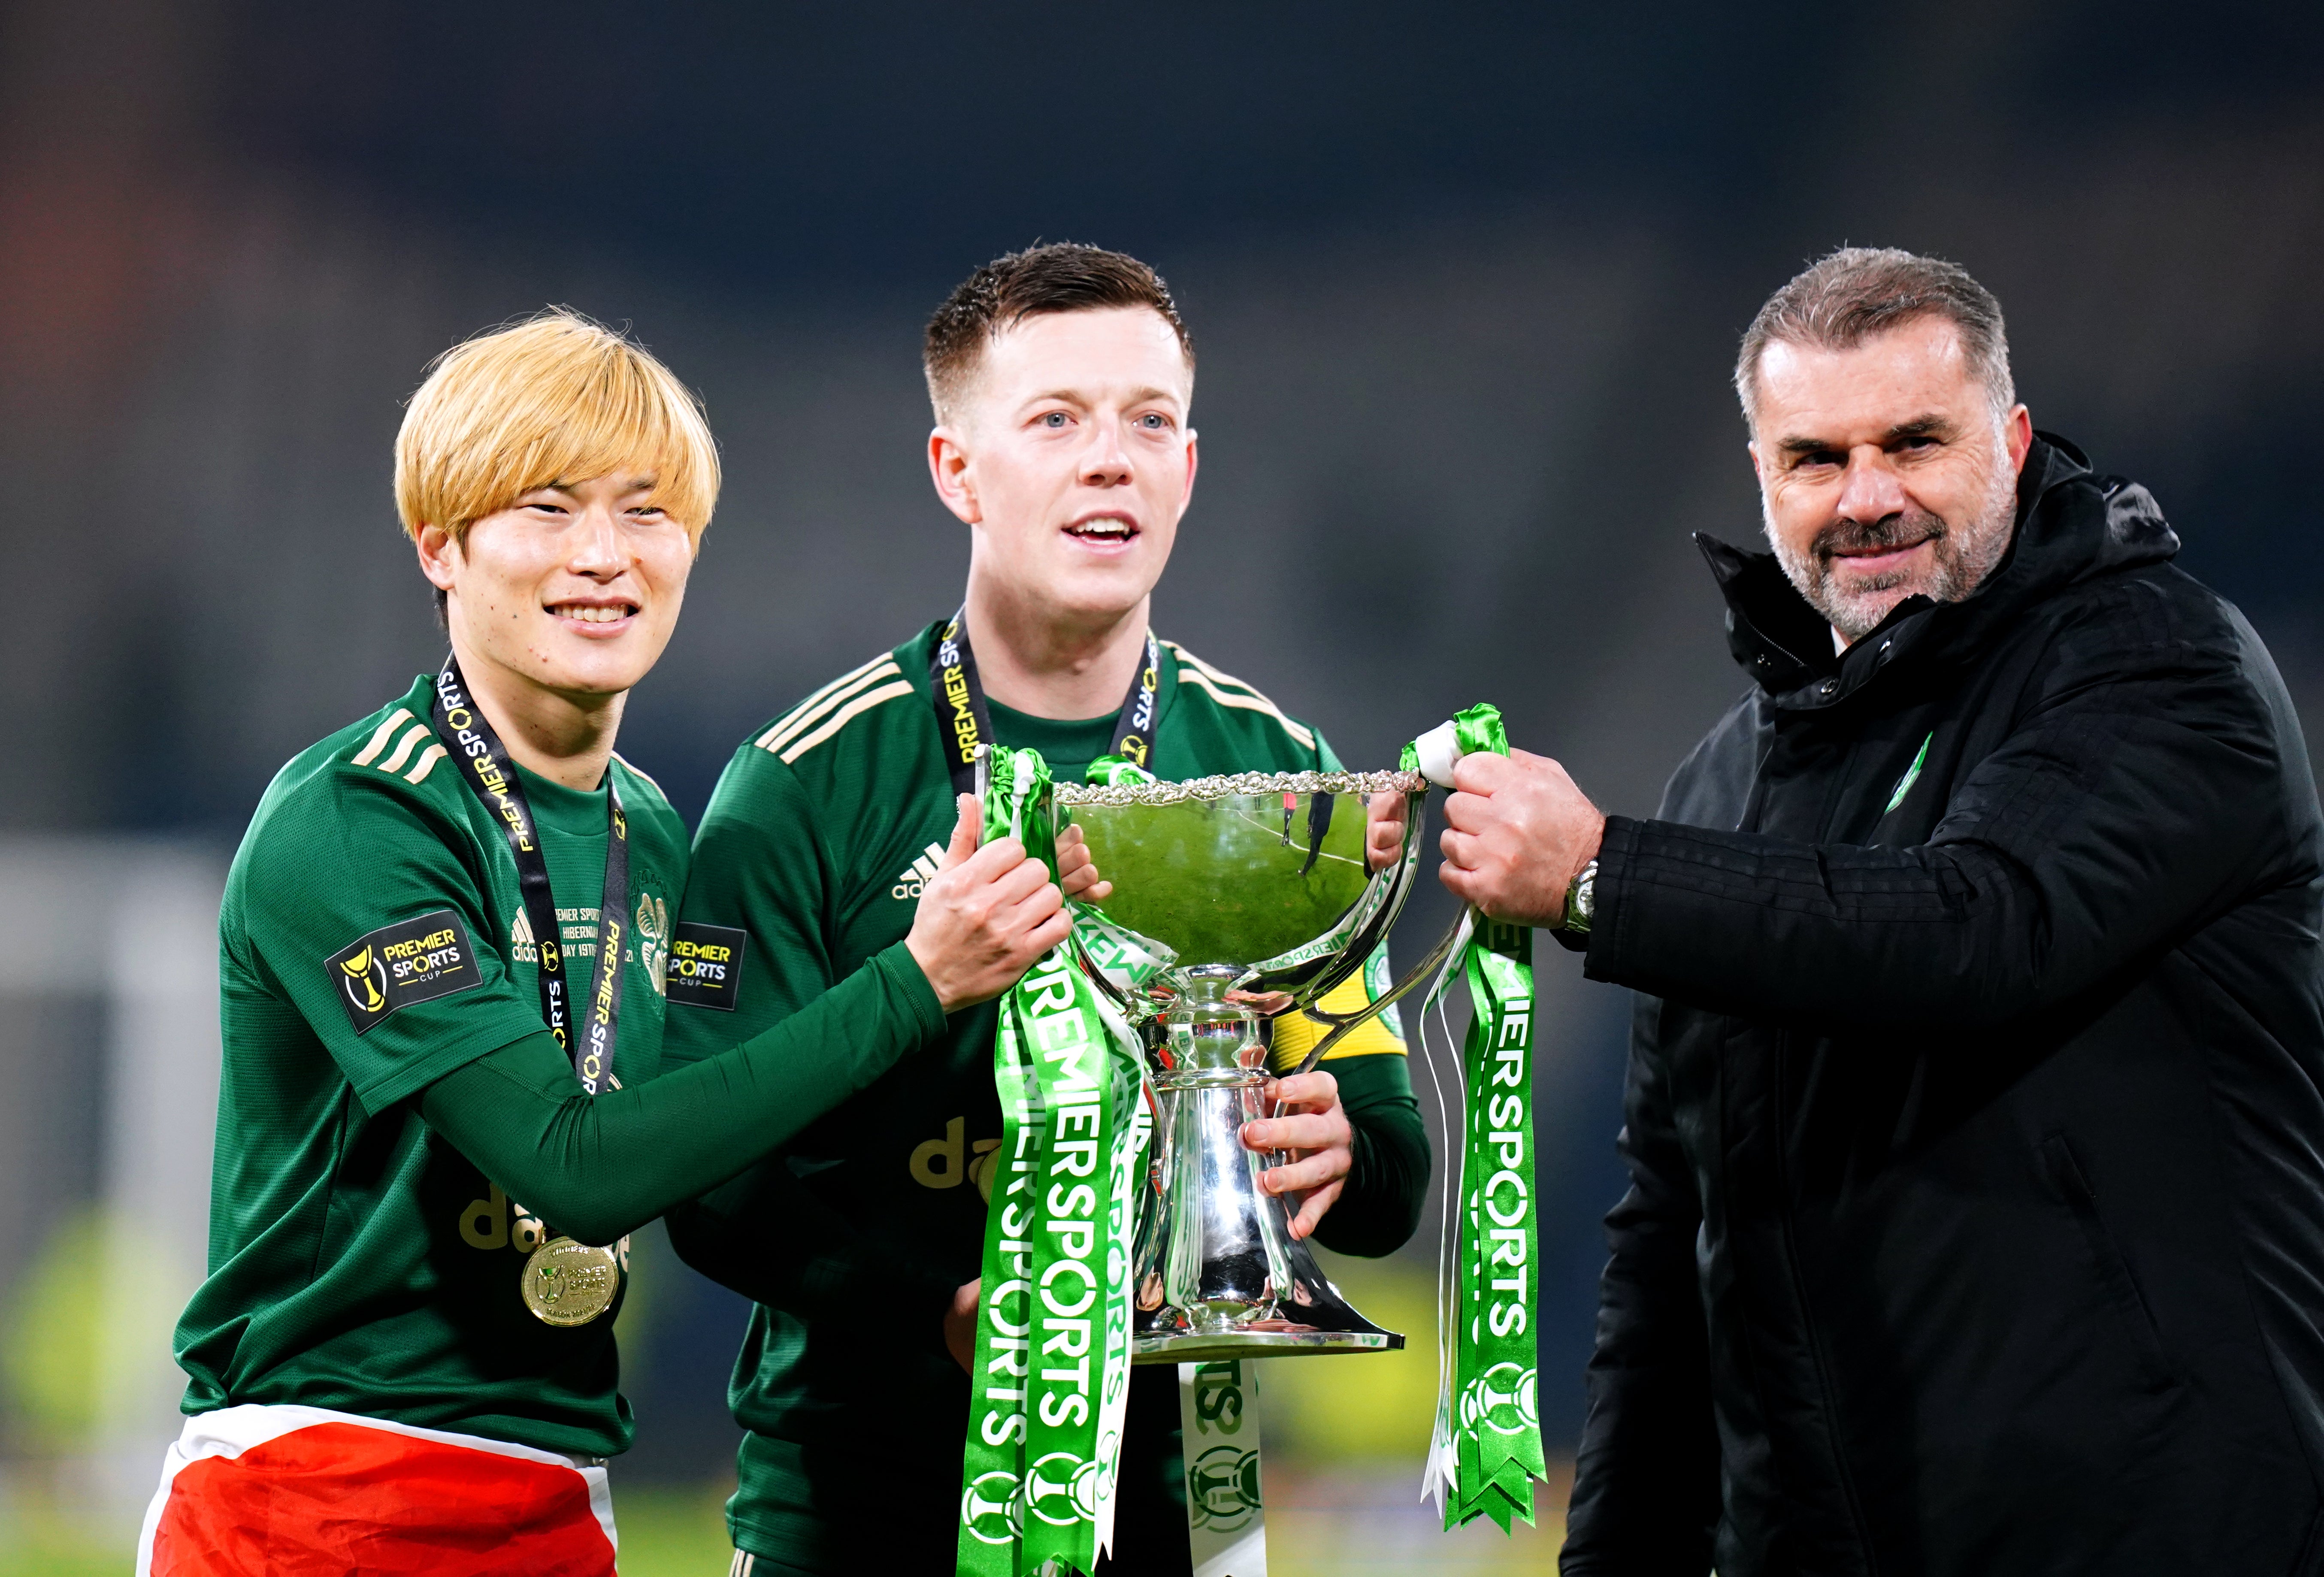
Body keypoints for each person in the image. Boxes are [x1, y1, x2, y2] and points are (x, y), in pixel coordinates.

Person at [1439, 246, 2324, 1577]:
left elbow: (1979, 926)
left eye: (1915, 442)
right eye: (1815, 458)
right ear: (1760, 478)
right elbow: (1676, 1243)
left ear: (2013, 444)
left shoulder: (2154, 664)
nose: (1867, 499)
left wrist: (1600, 873)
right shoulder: (1727, 781)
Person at [139, 310, 1069, 1576]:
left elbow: (708, 1158)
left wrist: (939, 1302)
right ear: (441, 544)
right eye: (546, 506)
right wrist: (913, 980)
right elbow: (573, 1169)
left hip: (561, 1484)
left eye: (646, 512)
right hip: (320, 1485)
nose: (603, 556)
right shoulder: (358, 817)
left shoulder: (648, 826)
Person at [663, 242, 1431, 1575]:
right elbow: (713, 1189)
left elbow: (1392, 1170)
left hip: (1186, 1508)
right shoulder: (799, 783)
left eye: (1149, 422)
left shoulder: (1280, 769)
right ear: (958, 470)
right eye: (1056, 421)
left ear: (1188, 470)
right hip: (855, 1508)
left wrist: (1336, 1150)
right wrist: (939, 1311)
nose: (1111, 460)